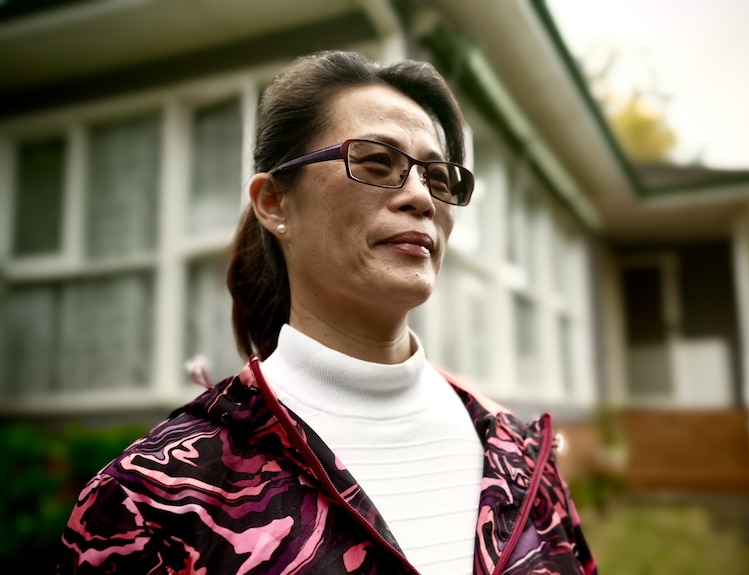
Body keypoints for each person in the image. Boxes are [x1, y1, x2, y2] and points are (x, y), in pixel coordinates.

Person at [57, 50, 597, 575]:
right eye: (375, 162)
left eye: (438, 177)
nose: (421, 198)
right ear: (274, 204)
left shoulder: (522, 459)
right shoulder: (151, 502)